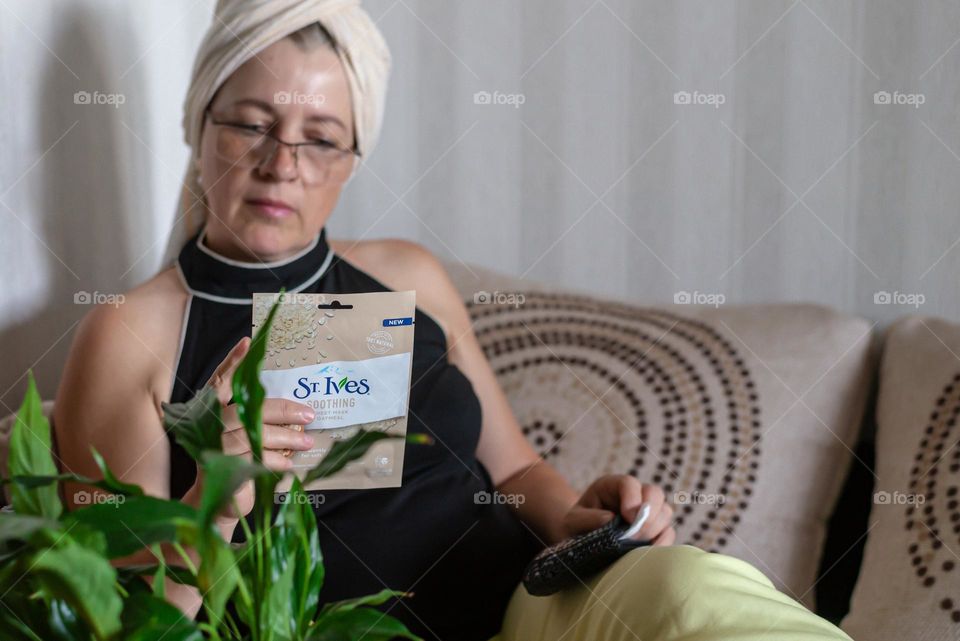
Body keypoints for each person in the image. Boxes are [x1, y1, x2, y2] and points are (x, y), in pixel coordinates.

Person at [53, 2, 853, 640]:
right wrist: (215, 499)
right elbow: (126, 620)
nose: (283, 162)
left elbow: (513, 474)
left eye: (321, 138)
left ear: (353, 159)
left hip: (530, 607)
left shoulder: (407, 275)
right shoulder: (130, 334)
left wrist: (585, 518)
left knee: (693, 587)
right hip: (342, 632)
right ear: (199, 127)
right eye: (252, 124)